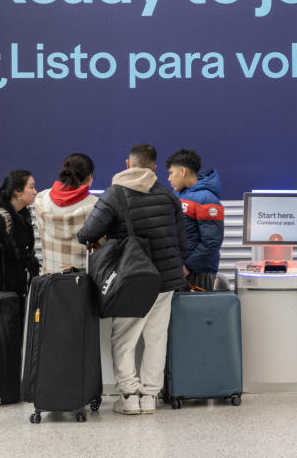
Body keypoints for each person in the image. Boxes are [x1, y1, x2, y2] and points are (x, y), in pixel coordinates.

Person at [77, 144, 188, 416]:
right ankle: (150, 396)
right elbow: (182, 243)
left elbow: (86, 233)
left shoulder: (115, 194)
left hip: (132, 279)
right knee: (156, 339)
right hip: (166, 278)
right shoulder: (168, 195)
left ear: (128, 163)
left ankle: (129, 396)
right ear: (153, 167)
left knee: (124, 339)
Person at [0, 170, 40, 313]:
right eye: (31, 187)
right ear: (17, 192)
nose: (35, 192)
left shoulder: (22, 216)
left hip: (17, 297)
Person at [166, 149, 224, 289]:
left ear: (183, 171)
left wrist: (188, 267)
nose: (169, 178)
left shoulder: (207, 199)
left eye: (171, 173)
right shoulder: (178, 195)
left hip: (198, 273)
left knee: (197, 310)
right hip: (179, 270)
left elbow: (211, 242)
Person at [34, 153, 98, 273]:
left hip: (49, 283)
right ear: (89, 177)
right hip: (81, 285)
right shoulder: (96, 206)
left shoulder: (41, 199)